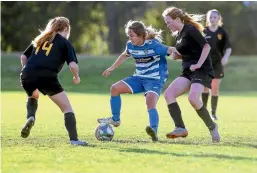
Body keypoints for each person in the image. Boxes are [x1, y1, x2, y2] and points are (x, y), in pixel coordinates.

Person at [97, 20, 180, 142]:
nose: (130, 39)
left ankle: (153, 132)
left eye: (132, 36)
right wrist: (111, 68)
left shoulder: (154, 45)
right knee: (114, 88)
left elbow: (171, 49)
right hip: (138, 78)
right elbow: (125, 55)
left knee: (150, 101)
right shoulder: (131, 45)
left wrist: (181, 53)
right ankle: (115, 119)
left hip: (154, 79)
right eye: (129, 36)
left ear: (141, 35)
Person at [20, 16, 88, 146]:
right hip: (47, 77)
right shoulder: (64, 43)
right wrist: (76, 77)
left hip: (27, 74)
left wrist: (27, 70)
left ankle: (31, 116)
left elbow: (24, 56)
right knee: (67, 108)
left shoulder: (40, 39)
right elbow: (73, 65)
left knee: (33, 95)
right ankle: (74, 140)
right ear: (66, 28)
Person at [162, 7, 220, 143]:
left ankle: (212, 126)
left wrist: (199, 64)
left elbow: (206, 47)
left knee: (193, 98)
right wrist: (178, 56)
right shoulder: (179, 35)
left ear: (177, 19)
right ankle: (180, 128)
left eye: (168, 22)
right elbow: (190, 53)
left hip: (202, 69)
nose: (167, 25)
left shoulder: (190, 29)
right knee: (169, 94)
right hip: (188, 71)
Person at [202, 9, 232, 120]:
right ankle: (203, 111)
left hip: (217, 64)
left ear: (219, 18)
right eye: (210, 17)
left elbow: (228, 48)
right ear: (207, 19)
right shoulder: (203, 31)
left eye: (215, 17)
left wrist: (225, 57)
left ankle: (213, 113)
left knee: (214, 88)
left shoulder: (222, 32)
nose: (212, 19)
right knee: (204, 88)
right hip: (205, 64)